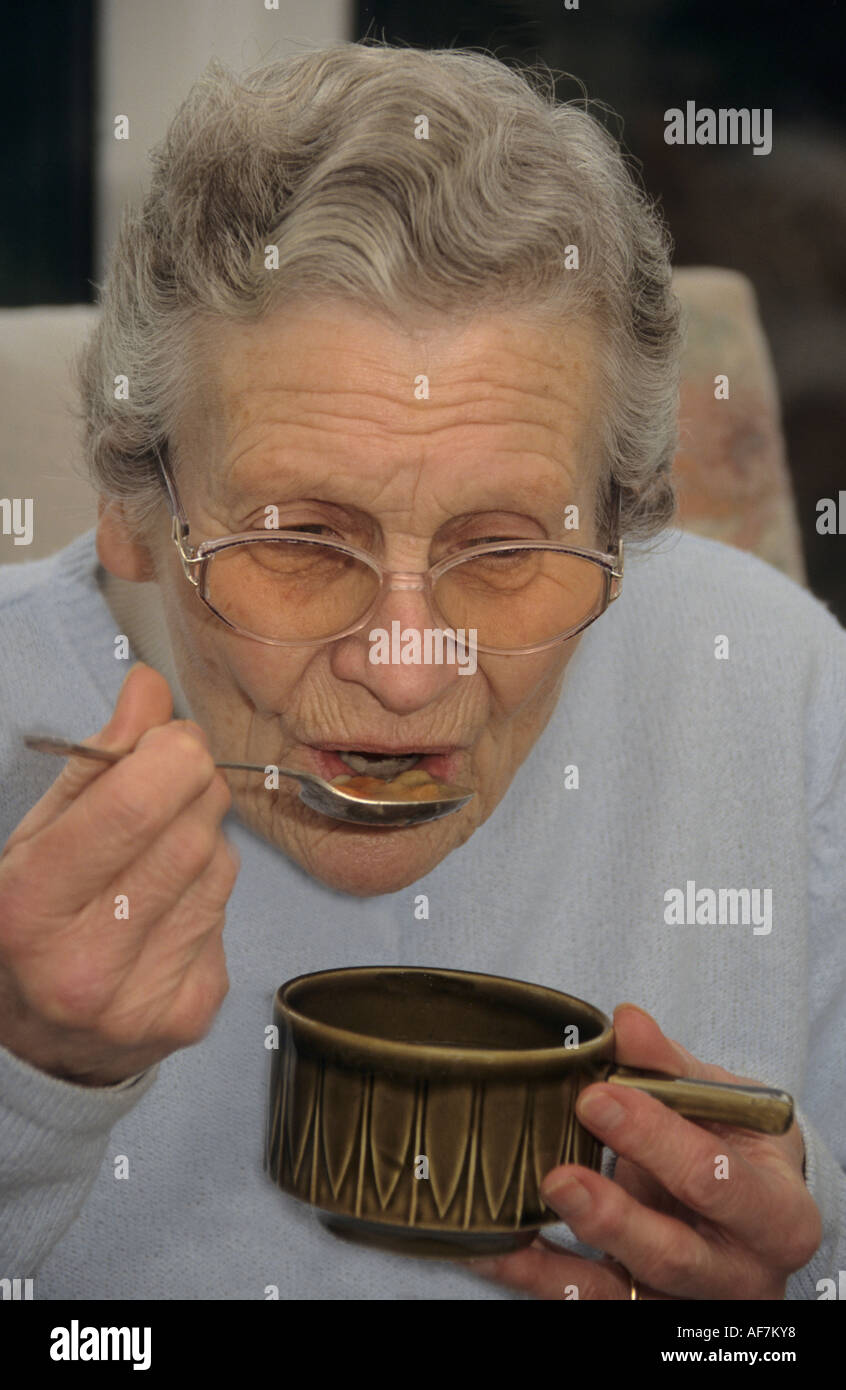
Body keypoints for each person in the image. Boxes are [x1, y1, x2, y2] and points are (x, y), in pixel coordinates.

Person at [0, 41, 841, 1301]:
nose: (404, 673)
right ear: (134, 502)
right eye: (296, 539)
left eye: (503, 548)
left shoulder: (786, 691)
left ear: (623, 526)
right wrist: (29, 1077)